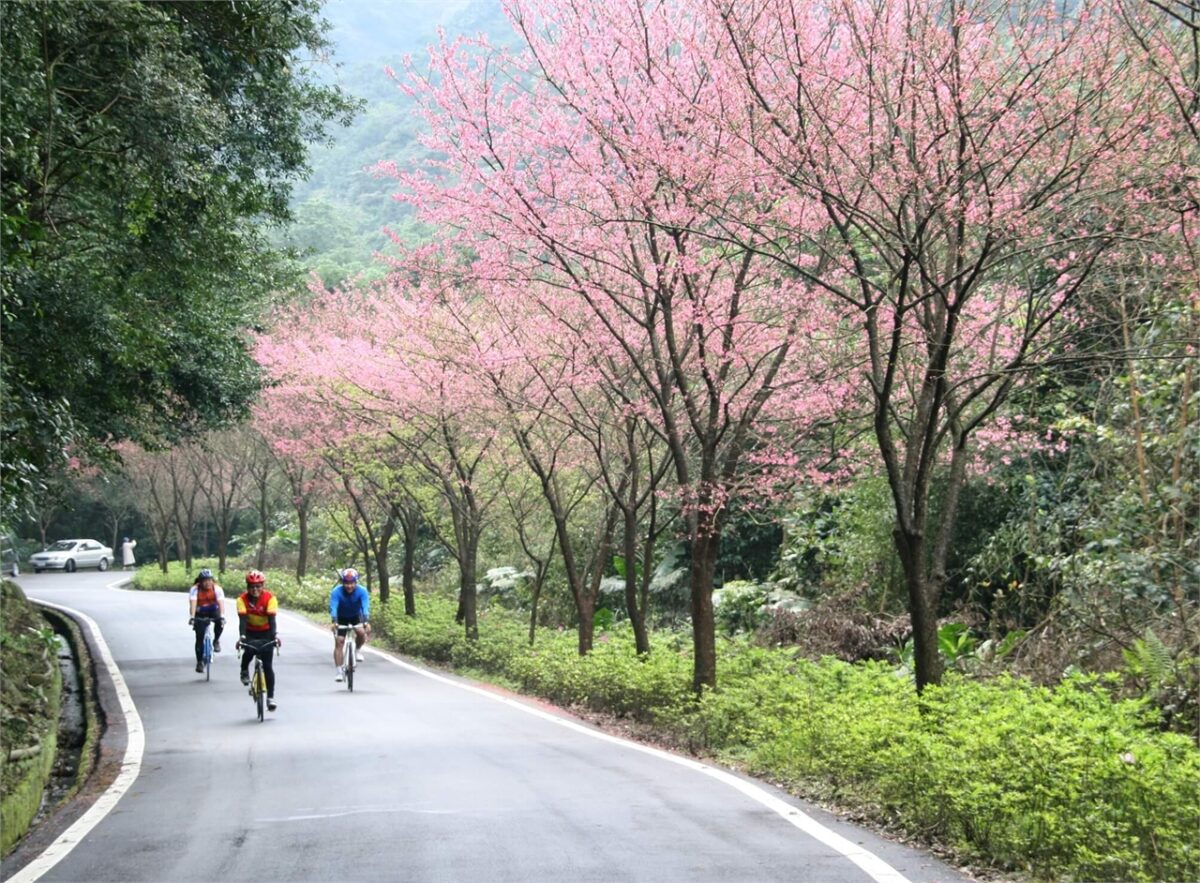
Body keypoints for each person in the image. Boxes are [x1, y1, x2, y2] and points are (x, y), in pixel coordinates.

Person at [236, 570, 280, 711]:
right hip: (250, 631)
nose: (255, 590)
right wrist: (242, 636)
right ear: (247, 587)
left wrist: (274, 636)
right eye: (252, 587)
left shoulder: (270, 598)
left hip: (266, 632)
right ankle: (244, 670)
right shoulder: (241, 600)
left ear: (263, 586)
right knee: (248, 651)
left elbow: (272, 620)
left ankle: (270, 698)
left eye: (258, 586)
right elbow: (242, 621)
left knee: (267, 666)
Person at [329, 567, 370, 683]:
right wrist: (335, 621)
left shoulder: (362, 591)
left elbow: (365, 606)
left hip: (356, 616)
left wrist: (366, 620)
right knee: (339, 641)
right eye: (346, 583)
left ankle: (357, 650)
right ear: (343, 583)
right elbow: (334, 607)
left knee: (361, 632)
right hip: (341, 618)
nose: (349, 586)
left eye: (351, 583)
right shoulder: (336, 592)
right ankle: (338, 671)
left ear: (356, 582)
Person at [188, 568, 226, 672]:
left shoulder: (217, 588)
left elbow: (221, 602)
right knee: (199, 638)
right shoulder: (195, 589)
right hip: (200, 612)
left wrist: (222, 616)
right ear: (200, 582)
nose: (207, 583)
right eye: (204, 580)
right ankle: (200, 662)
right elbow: (193, 603)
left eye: (209, 580)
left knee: (220, 622)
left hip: (213, 610)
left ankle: (216, 640)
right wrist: (192, 617)